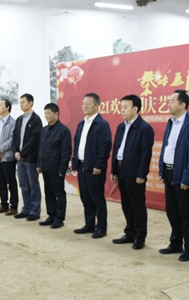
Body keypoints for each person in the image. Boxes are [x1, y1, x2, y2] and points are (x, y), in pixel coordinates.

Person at [157, 90, 189, 262]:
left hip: (183, 174)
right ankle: (175, 243)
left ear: (182, 104)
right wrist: (162, 170)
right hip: (169, 172)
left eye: (172, 101)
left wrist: (187, 177)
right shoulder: (170, 123)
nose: (168, 104)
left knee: (186, 213)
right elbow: (166, 147)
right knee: (172, 210)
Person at [110, 95, 155, 250]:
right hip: (121, 168)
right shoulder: (121, 127)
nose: (122, 110)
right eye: (121, 107)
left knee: (137, 205)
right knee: (126, 203)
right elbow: (116, 149)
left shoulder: (144, 128)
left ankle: (140, 237)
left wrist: (142, 174)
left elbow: (145, 154)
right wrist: (114, 170)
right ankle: (130, 233)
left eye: (125, 107)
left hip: (134, 172)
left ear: (135, 109)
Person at [71, 93, 111, 238]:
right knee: (86, 198)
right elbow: (77, 144)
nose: (85, 106)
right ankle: (89, 224)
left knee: (97, 199)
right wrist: (75, 162)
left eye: (88, 104)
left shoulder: (102, 124)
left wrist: (99, 165)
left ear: (97, 106)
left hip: (94, 168)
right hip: (82, 166)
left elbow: (105, 147)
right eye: (83, 104)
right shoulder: (82, 123)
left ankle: (101, 228)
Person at [36, 103, 72, 229]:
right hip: (45, 167)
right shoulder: (44, 130)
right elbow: (41, 148)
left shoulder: (63, 130)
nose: (46, 116)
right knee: (49, 193)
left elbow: (66, 151)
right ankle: (51, 215)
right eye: (45, 113)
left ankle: (59, 218)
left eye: (49, 113)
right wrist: (39, 164)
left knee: (59, 194)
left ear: (56, 114)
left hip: (56, 168)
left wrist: (63, 168)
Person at [12, 93, 43, 221]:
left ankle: (35, 211)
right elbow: (15, 137)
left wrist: (22, 153)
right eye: (20, 102)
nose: (21, 104)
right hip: (20, 159)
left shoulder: (36, 120)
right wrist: (16, 152)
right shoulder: (19, 119)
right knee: (23, 185)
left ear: (31, 103)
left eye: (23, 102)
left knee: (33, 185)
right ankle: (26, 208)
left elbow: (34, 140)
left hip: (30, 159)